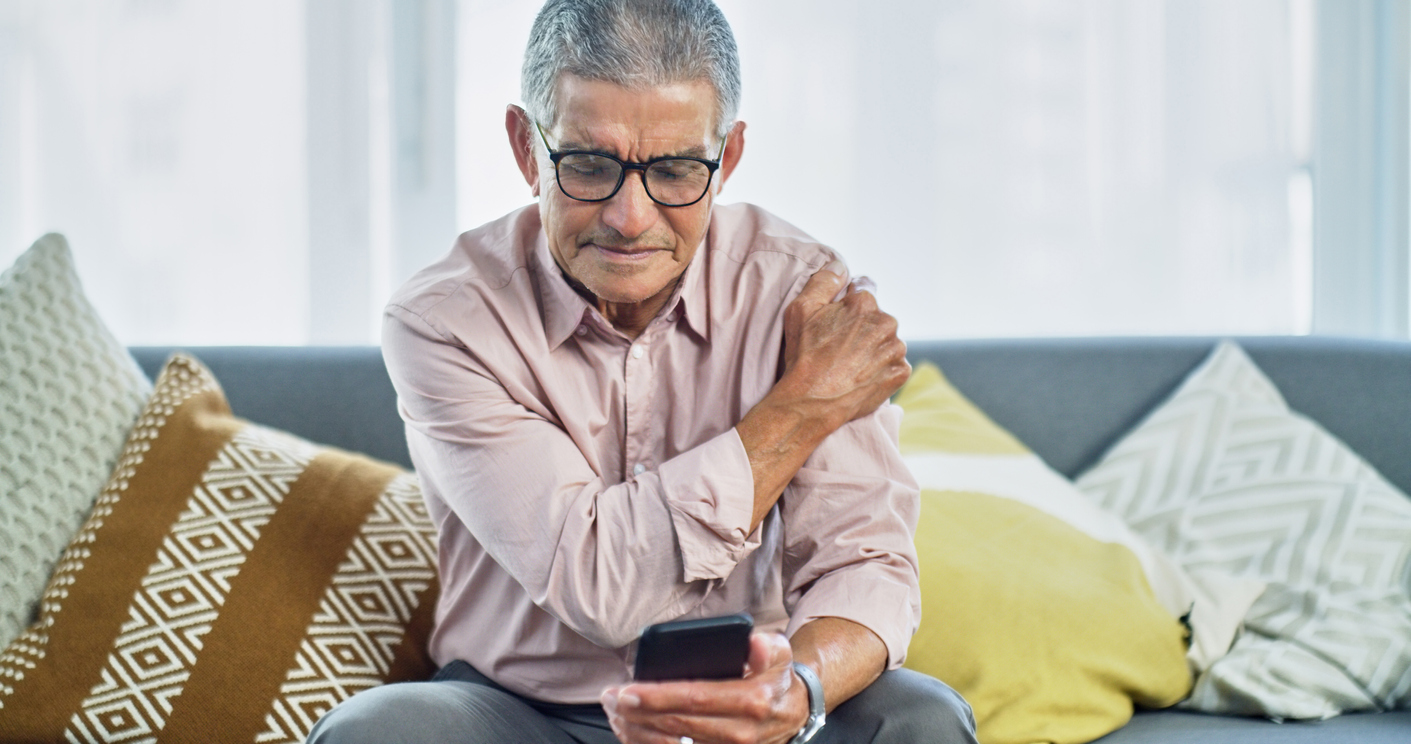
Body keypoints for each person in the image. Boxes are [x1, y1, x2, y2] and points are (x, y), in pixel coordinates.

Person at [308, 1, 977, 742]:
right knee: (380, 731)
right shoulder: (445, 321)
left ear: (727, 159)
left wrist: (797, 690)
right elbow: (599, 584)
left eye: (675, 170)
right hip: (522, 713)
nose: (630, 217)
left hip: (753, 702)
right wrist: (801, 410)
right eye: (589, 165)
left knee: (921, 718)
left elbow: (865, 560)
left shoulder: (800, 289)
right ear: (526, 149)